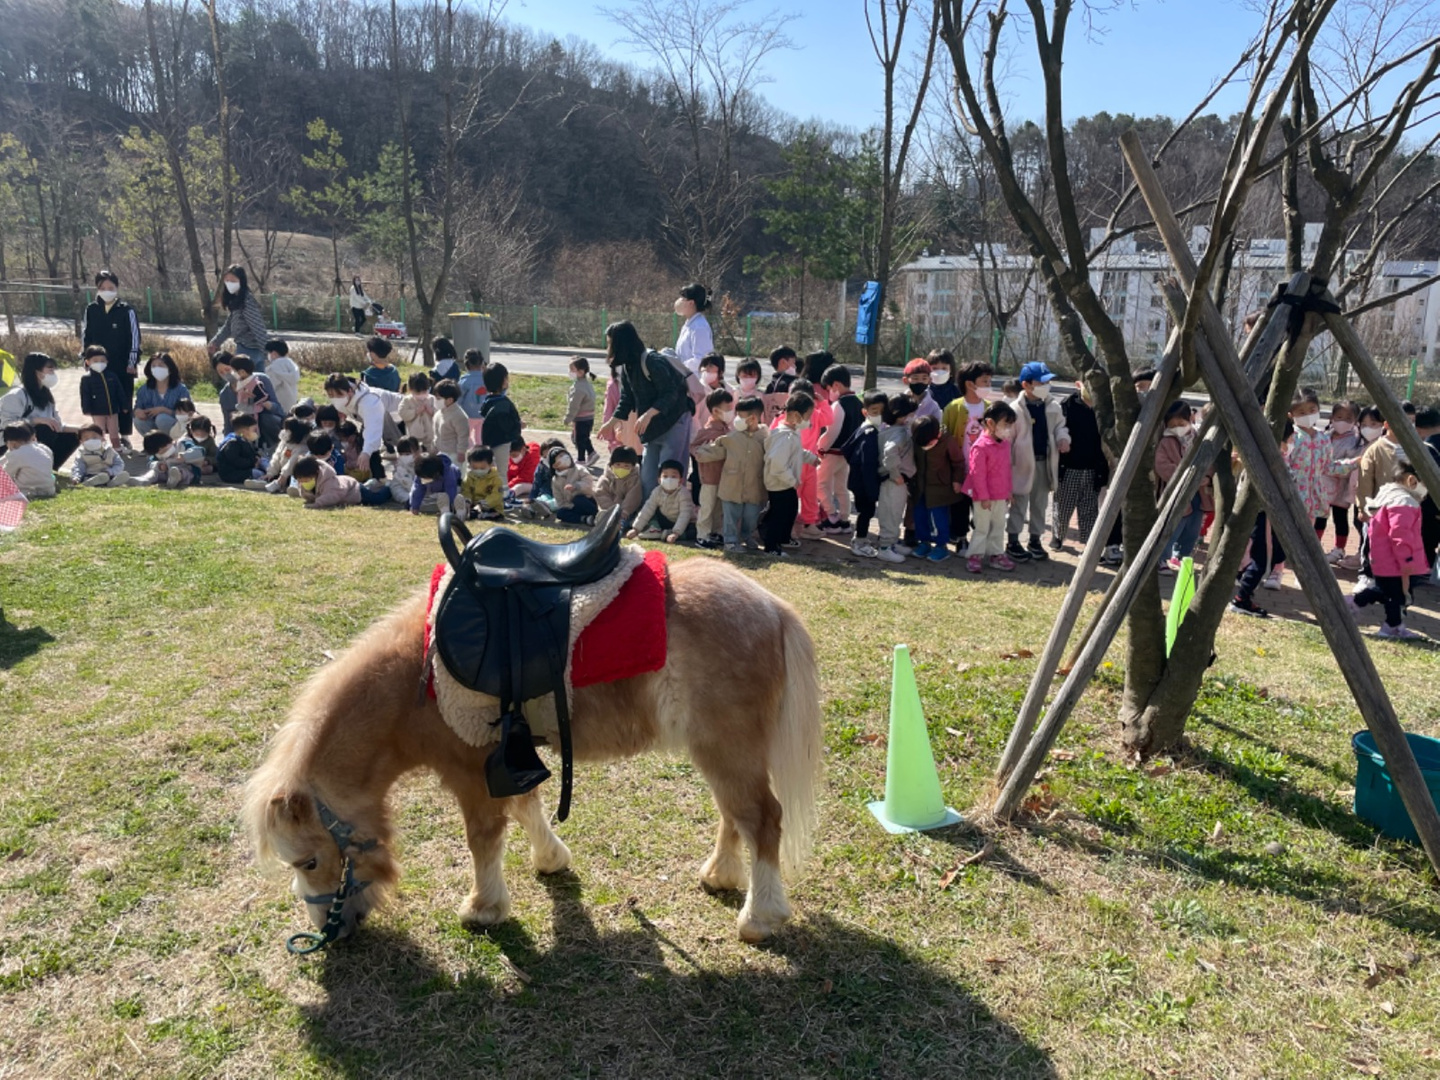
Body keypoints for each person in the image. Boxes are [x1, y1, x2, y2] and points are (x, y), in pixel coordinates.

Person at [597, 321, 695, 500]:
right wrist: (610, 424)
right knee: (648, 477)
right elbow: (626, 398)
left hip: (673, 422)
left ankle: (669, 516)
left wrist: (649, 414)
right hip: (651, 429)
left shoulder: (652, 361)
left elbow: (670, 392)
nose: (609, 347)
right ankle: (648, 516)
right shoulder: (628, 366)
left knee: (668, 473)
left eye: (611, 342)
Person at [1347, 455, 1427, 639]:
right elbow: (1400, 533)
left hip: (1383, 557)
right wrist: (1407, 559)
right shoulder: (1405, 503)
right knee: (1396, 596)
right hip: (1396, 560)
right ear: (1412, 480)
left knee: (1384, 590)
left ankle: (1355, 603)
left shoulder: (1388, 495)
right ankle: (1391, 626)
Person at [1006, 362, 1069, 562]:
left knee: (1040, 503)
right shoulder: (1015, 409)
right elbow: (1008, 439)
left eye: (1048, 381)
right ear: (1026, 385)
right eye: (1041, 382)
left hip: (1044, 462)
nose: (1046, 385)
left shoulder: (1052, 406)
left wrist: (1063, 438)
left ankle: (1035, 539)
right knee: (1019, 502)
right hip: (1021, 464)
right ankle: (1013, 540)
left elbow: (1060, 426)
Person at [692, 395, 768, 552]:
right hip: (724, 482)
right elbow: (716, 449)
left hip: (750, 485)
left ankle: (743, 536)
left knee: (749, 514)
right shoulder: (730, 436)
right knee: (721, 512)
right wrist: (701, 452)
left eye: (740, 416)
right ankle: (723, 539)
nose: (735, 418)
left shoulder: (764, 436)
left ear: (753, 418)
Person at [941, 360, 996, 556]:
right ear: (970, 384)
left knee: (982, 505)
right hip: (961, 468)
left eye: (990, 381)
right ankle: (961, 538)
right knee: (959, 505)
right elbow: (944, 436)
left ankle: (981, 539)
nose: (989, 385)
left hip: (984, 469)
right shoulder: (953, 408)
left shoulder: (991, 408)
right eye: (985, 381)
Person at [81, 270, 142, 447]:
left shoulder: (126, 310)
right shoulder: (91, 309)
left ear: (117, 288)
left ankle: (124, 435)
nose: (107, 290)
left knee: (122, 398)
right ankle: (101, 436)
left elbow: (135, 338)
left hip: (122, 365)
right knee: (99, 398)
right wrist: (86, 358)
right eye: (102, 287)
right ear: (97, 289)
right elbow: (86, 335)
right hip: (97, 365)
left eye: (111, 287)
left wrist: (132, 362)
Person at [761, 393, 818, 556]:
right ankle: (771, 546)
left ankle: (784, 538)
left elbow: (796, 452)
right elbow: (777, 463)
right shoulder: (784, 437)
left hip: (786, 482)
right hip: (779, 483)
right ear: (795, 415)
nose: (809, 421)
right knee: (779, 515)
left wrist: (810, 458)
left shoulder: (792, 434)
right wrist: (791, 480)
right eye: (807, 416)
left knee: (790, 511)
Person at [964, 401, 1018, 573]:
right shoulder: (980, 447)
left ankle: (996, 554)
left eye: (1011, 425)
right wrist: (983, 496)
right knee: (982, 527)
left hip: (1000, 495)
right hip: (983, 497)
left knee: (998, 525)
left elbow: (1007, 470)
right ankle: (975, 555)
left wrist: (1008, 491)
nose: (1008, 428)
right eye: (1005, 424)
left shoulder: (1005, 445)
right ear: (990, 423)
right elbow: (977, 475)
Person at [1052, 383, 1108, 550]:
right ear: (1079, 384)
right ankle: (1058, 536)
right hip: (1070, 466)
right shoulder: (1067, 405)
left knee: (1090, 508)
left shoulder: (1104, 408)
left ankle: (1089, 542)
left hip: (1094, 467)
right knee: (1063, 505)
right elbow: (1059, 429)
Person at [0, 353, 80, 467]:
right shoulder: (16, 395)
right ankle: (35, 467)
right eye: (49, 369)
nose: (53, 373)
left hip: (32, 441)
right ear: (36, 372)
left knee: (74, 435)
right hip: (8, 444)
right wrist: (36, 420)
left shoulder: (46, 395)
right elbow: (7, 424)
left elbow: (57, 425)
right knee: (44, 429)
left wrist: (82, 429)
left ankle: (51, 468)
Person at [1153, 400, 1204, 575]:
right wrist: (1186, 475)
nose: (1177, 428)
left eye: (1180, 424)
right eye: (1172, 425)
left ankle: (1183, 556)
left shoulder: (1198, 438)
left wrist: (1205, 477)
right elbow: (1162, 465)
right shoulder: (1166, 441)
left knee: (1193, 526)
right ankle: (1161, 558)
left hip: (1199, 491)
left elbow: (1209, 462)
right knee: (1173, 525)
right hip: (1176, 490)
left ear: (1190, 418)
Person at [816, 364, 863, 537]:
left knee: (819, 484)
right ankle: (844, 519)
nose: (829, 393)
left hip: (833, 452)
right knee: (841, 487)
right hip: (847, 454)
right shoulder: (859, 402)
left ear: (835, 385)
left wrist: (821, 448)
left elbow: (832, 431)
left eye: (828, 388)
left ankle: (831, 517)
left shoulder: (838, 405)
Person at [911, 415, 966, 562]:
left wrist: (957, 480)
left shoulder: (947, 440)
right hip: (921, 486)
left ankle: (941, 545)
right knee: (920, 515)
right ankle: (924, 542)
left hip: (940, 488)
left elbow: (958, 462)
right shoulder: (917, 440)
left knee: (938, 518)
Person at [323, 373, 397, 481]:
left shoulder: (369, 401)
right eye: (331, 396)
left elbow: (373, 429)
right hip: (376, 420)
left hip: (398, 418)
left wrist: (366, 452)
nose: (335, 399)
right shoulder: (346, 396)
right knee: (364, 443)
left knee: (406, 449)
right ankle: (378, 478)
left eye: (338, 395)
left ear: (349, 391)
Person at [842, 391, 888, 558]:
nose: (879, 415)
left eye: (883, 411)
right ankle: (859, 540)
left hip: (857, 479)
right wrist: (873, 487)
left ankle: (860, 538)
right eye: (875, 411)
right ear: (865, 412)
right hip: (864, 482)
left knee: (864, 511)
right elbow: (867, 465)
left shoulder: (863, 429)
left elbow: (847, 449)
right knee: (866, 512)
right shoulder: (870, 435)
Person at [875, 394, 918, 563]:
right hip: (894, 481)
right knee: (891, 513)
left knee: (894, 512)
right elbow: (890, 453)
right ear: (901, 416)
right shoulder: (899, 433)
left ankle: (891, 543)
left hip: (895, 480)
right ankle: (885, 546)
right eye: (910, 414)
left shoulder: (888, 430)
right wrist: (896, 474)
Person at [1322, 400, 1364, 569]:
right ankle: (1315, 544)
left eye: (1348, 418)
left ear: (1355, 420)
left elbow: (1352, 464)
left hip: (1341, 487)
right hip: (1323, 485)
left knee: (1340, 518)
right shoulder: (1325, 436)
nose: (1343, 421)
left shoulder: (1355, 440)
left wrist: (1330, 468)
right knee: (1320, 517)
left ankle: (1339, 549)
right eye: (1339, 417)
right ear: (1332, 417)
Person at [691, 387, 734, 548]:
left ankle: (715, 532)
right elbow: (694, 448)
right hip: (709, 477)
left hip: (723, 476)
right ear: (715, 411)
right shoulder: (707, 430)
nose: (731, 412)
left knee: (718, 508)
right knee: (707, 507)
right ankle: (702, 535)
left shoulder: (726, 429)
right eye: (728, 409)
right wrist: (703, 453)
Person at [208, 265, 269, 369]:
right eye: (227, 280)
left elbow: (258, 328)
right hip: (246, 347)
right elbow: (228, 326)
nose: (229, 283)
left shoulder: (246, 301)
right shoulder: (237, 301)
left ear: (241, 280)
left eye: (233, 280)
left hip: (249, 349)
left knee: (242, 382)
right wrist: (216, 341)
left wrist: (267, 353)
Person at [628, 459, 695, 542]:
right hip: (665, 520)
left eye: (673, 477)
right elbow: (647, 509)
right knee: (651, 512)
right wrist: (636, 529)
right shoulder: (657, 491)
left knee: (693, 532)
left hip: (684, 524)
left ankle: (673, 534)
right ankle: (656, 531)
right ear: (659, 480)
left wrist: (676, 533)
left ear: (680, 480)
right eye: (665, 476)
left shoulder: (684, 493)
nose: (669, 479)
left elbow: (685, 514)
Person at [229, 353, 285, 448]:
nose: (232, 373)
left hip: (255, 413)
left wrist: (256, 399)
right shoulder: (240, 382)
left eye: (234, 371)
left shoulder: (255, 382)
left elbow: (262, 396)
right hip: (246, 411)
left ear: (242, 372)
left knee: (254, 432)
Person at [295, 453, 391, 508]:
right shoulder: (310, 481)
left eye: (305, 480)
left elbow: (331, 497)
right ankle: (371, 483)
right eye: (300, 480)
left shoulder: (329, 482)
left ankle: (388, 487)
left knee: (377, 499)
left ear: (315, 473)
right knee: (369, 489)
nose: (302, 483)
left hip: (354, 490)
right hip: (346, 487)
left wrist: (316, 504)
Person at [133, 353, 190, 438]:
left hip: (175, 426)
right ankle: (154, 446)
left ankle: (174, 444)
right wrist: (138, 412)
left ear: (170, 369)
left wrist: (164, 410)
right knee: (138, 421)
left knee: (161, 419)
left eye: (161, 365)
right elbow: (138, 407)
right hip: (152, 424)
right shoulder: (144, 390)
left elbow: (189, 413)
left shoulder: (181, 389)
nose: (157, 369)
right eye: (154, 366)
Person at [79, 345, 125, 450]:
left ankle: (117, 447)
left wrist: (124, 405)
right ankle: (100, 448)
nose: (99, 363)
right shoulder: (86, 379)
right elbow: (84, 395)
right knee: (100, 430)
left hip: (112, 410)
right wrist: (86, 409)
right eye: (95, 361)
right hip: (97, 411)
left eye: (102, 360)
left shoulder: (112, 376)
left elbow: (119, 392)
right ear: (87, 362)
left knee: (114, 430)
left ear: (107, 362)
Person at [2, 423, 57, 499]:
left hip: (26, 491)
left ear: (12, 443)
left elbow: (5, 474)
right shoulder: (44, 448)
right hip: (49, 490)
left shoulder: (17, 454)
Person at [549, 446, 599, 525]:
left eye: (565, 454)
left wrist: (576, 486)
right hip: (572, 506)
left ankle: (598, 515)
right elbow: (560, 501)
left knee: (578, 499)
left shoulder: (580, 470)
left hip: (587, 501)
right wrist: (570, 506)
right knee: (560, 513)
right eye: (560, 456)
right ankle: (585, 519)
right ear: (555, 465)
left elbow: (589, 484)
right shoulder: (555, 480)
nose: (565, 457)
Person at [563, 356, 599, 465]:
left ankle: (581, 459)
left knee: (579, 439)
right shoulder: (586, 384)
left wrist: (568, 418)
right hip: (589, 417)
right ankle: (592, 453)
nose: (570, 373)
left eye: (572, 370)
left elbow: (574, 405)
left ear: (581, 371)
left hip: (581, 418)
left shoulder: (578, 387)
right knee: (584, 438)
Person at [596, 445, 643, 526]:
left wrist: (625, 510)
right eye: (618, 464)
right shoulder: (605, 479)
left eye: (626, 466)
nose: (621, 468)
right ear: (612, 464)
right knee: (605, 518)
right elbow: (601, 494)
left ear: (632, 466)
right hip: (608, 510)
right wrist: (612, 510)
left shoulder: (634, 480)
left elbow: (633, 496)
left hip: (626, 513)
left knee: (624, 522)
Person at [70, 423, 129, 487]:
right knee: (88, 478)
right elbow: (78, 467)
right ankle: (91, 483)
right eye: (87, 439)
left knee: (119, 475)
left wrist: (110, 472)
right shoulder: (82, 453)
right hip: (91, 475)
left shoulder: (109, 450)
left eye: (94, 437)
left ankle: (112, 482)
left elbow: (119, 463)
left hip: (108, 474)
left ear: (102, 437)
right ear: (81, 441)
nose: (91, 440)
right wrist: (76, 477)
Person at [673, 283, 714, 372]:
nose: (679, 301)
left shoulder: (699, 327)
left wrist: (678, 367)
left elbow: (701, 360)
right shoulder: (690, 324)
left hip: (693, 381)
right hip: (684, 378)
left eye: (683, 299)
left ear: (691, 303)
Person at [456, 446, 504, 520]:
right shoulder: (469, 477)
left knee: (492, 514)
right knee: (471, 509)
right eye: (475, 468)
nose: (478, 470)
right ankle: (463, 511)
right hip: (474, 505)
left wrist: (482, 505)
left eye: (482, 468)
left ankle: (472, 514)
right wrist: (467, 501)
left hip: (492, 507)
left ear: (491, 464)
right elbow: (466, 490)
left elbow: (496, 496)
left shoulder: (496, 479)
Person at [217, 414, 264, 483]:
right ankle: (260, 480)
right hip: (232, 474)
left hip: (245, 469)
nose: (256, 432)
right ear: (244, 431)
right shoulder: (232, 443)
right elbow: (236, 461)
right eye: (254, 430)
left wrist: (257, 457)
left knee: (264, 461)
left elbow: (252, 453)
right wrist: (253, 463)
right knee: (258, 473)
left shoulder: (244, 440)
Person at [456, 348, 489, 447]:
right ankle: (480, 454)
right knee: (479, 438)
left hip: (468, 415)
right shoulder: (486, 378)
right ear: (482, 362)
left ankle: (469, 455)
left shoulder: (464, 380)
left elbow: (459, 399)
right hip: (483, 415)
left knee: (467, 437)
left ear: (467, 364)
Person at [399, 371, 437, 451]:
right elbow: (402, 412)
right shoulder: (407, 400)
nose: (421, 395)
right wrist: (415, 411)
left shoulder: (432, 399)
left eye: (424, 392)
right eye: (417, 392)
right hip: (414, 438)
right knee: (416, 454)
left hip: (431, 436)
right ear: (410, 390)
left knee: (431, 454)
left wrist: (432, 411)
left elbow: (441, 413)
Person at [264, 339, 301, 414]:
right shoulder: (291, 364)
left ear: (273, 353)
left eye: (268, 352)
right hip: (292, 402)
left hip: (278, 404)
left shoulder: (273, 368)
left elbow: (269, 387)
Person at [902, 358, 942, 423]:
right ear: (905, 380)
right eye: (915, 378)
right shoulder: (898, 403)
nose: (920, 381)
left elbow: (936, 430)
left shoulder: (933, 407)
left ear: (929, 381)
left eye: (924, 378)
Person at [181, 415, 219, 480]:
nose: (200, 437)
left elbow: (215, 456)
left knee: (209, 469)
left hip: (203, 464)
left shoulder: (210, 441)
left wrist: (207, 461)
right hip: (187, 463)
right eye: (197, 434)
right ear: (191, 431)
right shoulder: (185, 440)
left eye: (203, 435)